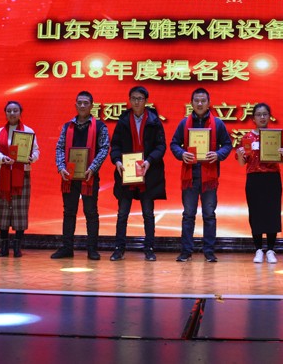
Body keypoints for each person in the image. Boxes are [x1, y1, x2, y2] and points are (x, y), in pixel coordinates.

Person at [170, 88, 233, 262]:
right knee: (188, 215)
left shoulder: (217, 123)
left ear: (209, 103)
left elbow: (227, 145)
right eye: (196, 100)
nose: (199, 103)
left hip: (209, 177)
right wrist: (181, 153)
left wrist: (218, 154)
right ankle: (186, 251)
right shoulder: (184, 123)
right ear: (191, 103)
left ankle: (209, 252)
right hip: (190, 176)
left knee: (209, 215)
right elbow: (174, 144)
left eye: (203, 100)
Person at [109, 86, 167, 262]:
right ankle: (119, 249)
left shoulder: (154, 121)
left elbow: (161, 146)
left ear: (146, 101)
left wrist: (149, 160)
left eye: (140, 98)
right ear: (129, 100)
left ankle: (149, 248)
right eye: (133, 98)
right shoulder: (123, 121)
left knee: (148, 213)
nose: (136, 102)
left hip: (147, 173)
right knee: (122, 214)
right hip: (126, 172)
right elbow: (115, 145)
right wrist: (117, 161)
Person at [51, 91, 110, 260]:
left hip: (89, 175)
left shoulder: (100, 126)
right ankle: (67, 248)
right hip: (69, 176)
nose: (82, 106)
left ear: (92, 106)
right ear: (75, 105)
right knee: (69, 212)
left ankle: (92, 249)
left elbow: (104, 148)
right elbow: (59, 147)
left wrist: (92, 168)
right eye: (79, 103)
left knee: (91, 212)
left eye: (86, 103)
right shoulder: (67, 126)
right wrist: (61, 167)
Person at [0, 100, 40, 258]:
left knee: (20, 210)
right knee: (3, 209)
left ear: (20, 113)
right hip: (3, 173)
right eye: (9, 111)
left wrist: (31, 158)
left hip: (22, 174)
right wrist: (3, 158)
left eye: (15, 110)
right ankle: (4, 247)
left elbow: (36, 151)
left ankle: (17, 247)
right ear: (5, 113)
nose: (12, 113)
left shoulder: (28, 131)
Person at [235, 103, 283, 264]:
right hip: (254, 178)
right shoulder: (247, 138)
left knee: (272, 213)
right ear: (253, 118)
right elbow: (242, 163)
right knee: (255, 213)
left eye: (265, 114)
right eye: (258, 114)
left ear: (269, 116)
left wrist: (282, 154)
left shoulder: (275, 136)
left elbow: (281, 161)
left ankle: (270, 249)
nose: (262, 117)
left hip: (272, 178)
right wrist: (240, 154)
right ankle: (258, 249)